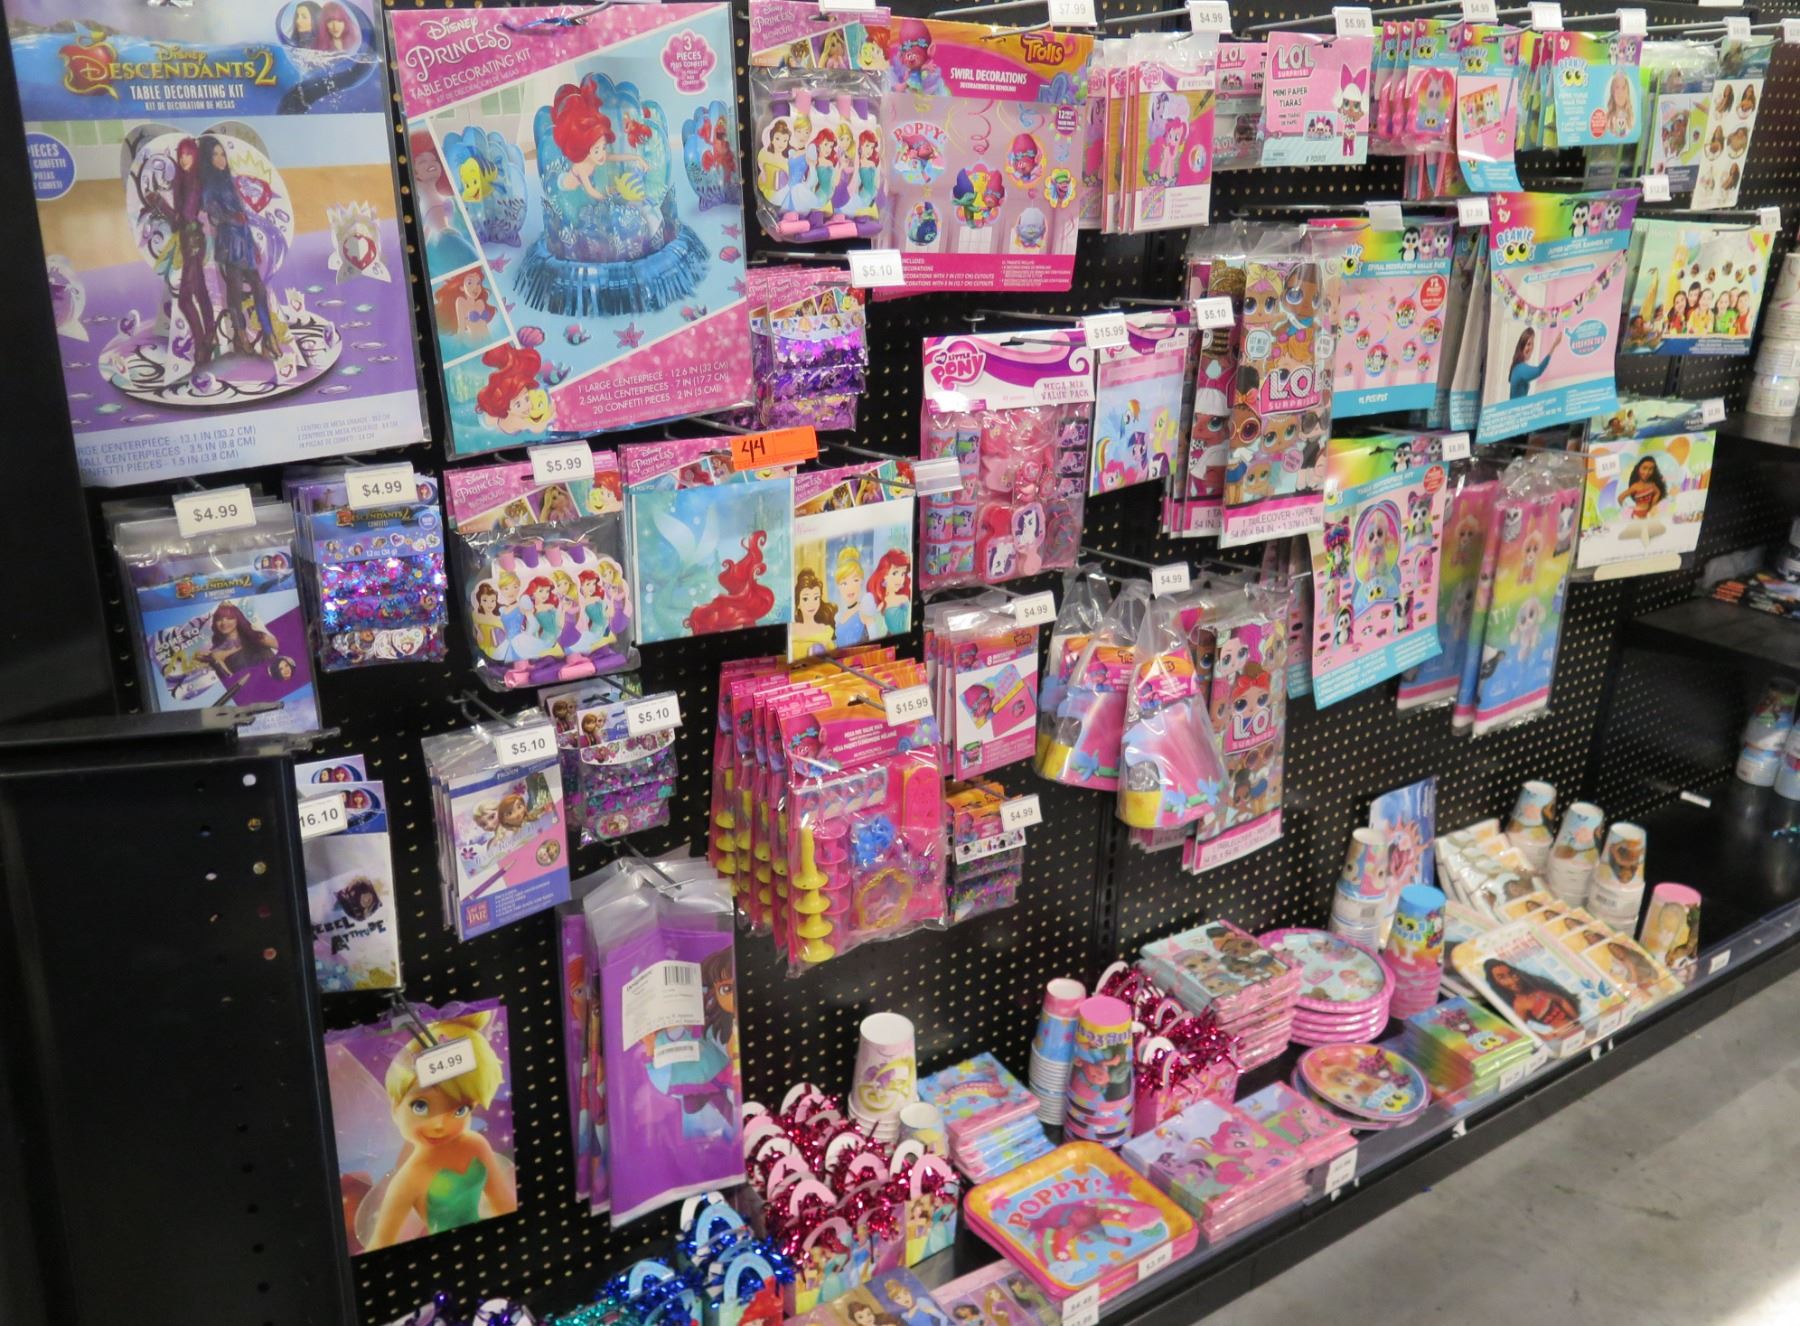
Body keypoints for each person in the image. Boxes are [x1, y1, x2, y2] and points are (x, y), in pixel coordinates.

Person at [367, 1011, 516, 1248]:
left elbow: (505, 1204)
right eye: (420, 1106)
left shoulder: (475, 1144)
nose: (439, 1125)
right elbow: (380, 1243)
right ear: (395, 1107)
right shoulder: (408, 1179)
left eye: (460, 1109)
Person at [1483, 958, 1580, 1033]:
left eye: (1511, 973)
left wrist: (1576, 1019)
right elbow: (1520, 1028)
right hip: (1565, 1034)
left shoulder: (1537, 991)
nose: (1512, 980)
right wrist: (1548, 1037)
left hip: (1578, 1027)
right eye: (1502, 978)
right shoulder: (1519, 1005)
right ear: (1496, 983)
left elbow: (1562, 1000)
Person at [1506, 326, 1561, 400]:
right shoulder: (1519, 368)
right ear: (1522, 346)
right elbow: (1539, 370)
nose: (1531, 348)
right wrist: (1554, 345)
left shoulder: (1516, 368)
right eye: (1528, 344)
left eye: (1532, 344)